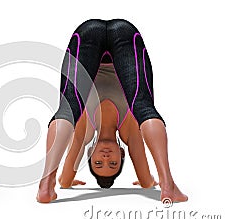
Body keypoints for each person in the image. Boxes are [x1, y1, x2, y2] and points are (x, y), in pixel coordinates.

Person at [37, 19, 188, 203]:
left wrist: (64, 179)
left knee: (68, 110)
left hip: (88, 33)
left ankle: (45, 185)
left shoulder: (85, 132)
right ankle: (168, 184)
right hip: (124, 34)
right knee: (144, 108)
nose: (106, 157)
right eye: (113, 163)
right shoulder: (129, 131)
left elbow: (66, 180)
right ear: (122, 153)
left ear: (89, 154)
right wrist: (147, 182)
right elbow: (147, 181)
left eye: (98, 163)